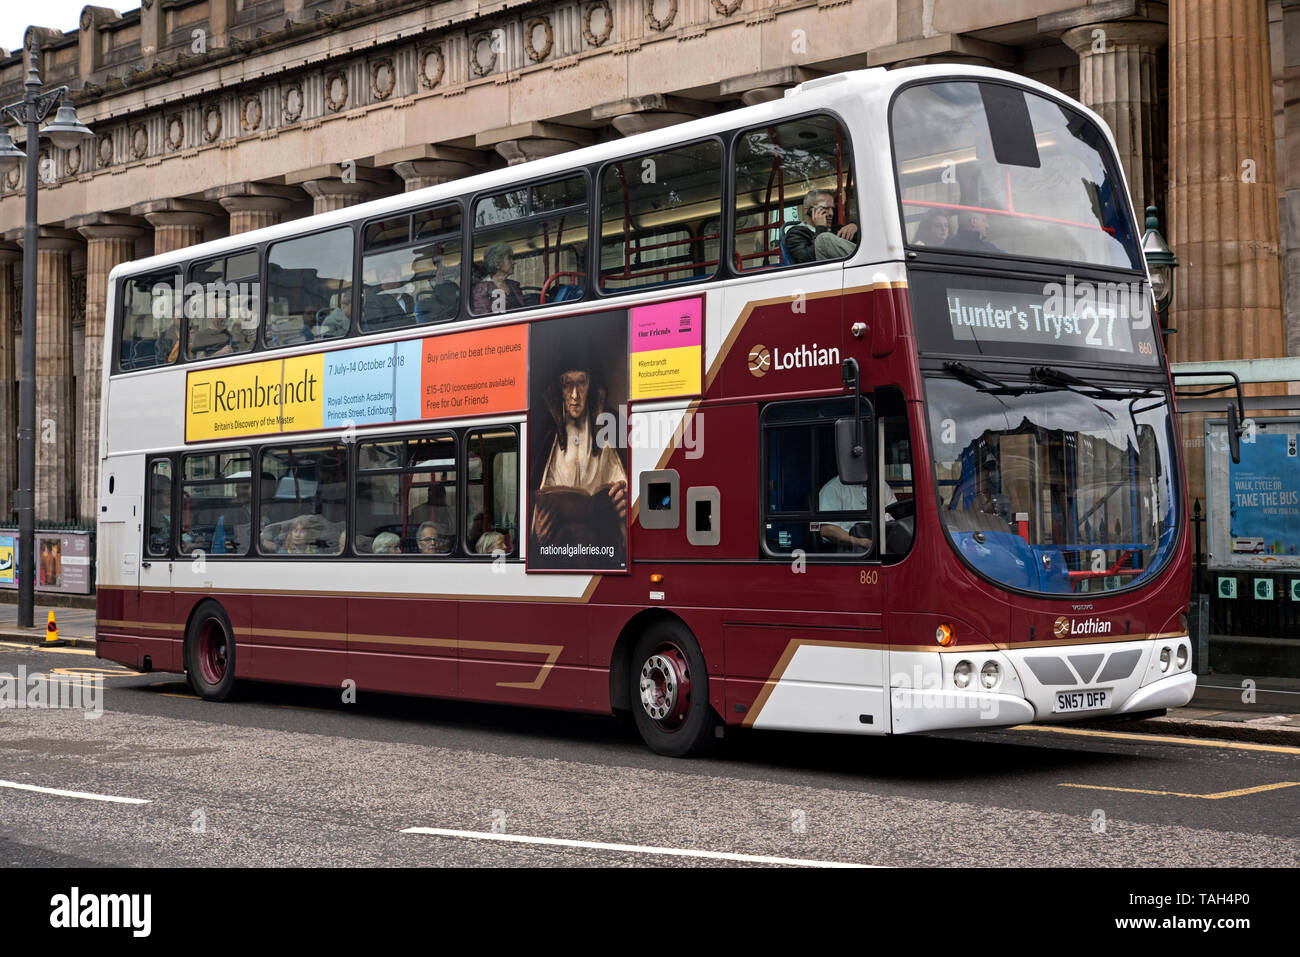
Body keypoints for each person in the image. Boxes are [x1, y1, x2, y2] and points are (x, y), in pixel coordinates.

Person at [530, 354, 628, 560]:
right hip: (558, 550)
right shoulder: (546, 433)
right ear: (559, 388)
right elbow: (536, 499)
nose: (575, 395)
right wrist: (537, 529)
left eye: (581, 382)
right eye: (568, 384)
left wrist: (624, 501)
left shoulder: (611, 426)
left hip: (601, 549)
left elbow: (626, 484)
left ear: (591, 385)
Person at [817, 473, 897, 552]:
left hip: (882, 542)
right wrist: (858, 542)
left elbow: (894, 513)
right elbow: (827, 530)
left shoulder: (881, 485)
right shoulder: (833, 488)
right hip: (848, 548)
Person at [785, 189, 859, 263]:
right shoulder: (795, 233)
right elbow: (805, 259)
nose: (831, 213)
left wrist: (856, 227)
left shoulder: (836, 229)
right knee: (824, 238)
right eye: (825, 208)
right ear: (808, 210)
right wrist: (820, 228)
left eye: (832, 209)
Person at [472, 242, 527, 314]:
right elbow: (483, 317)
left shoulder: (513, 285)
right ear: (497, 263)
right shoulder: (482, 288)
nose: (513, 262)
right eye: (509, 258)